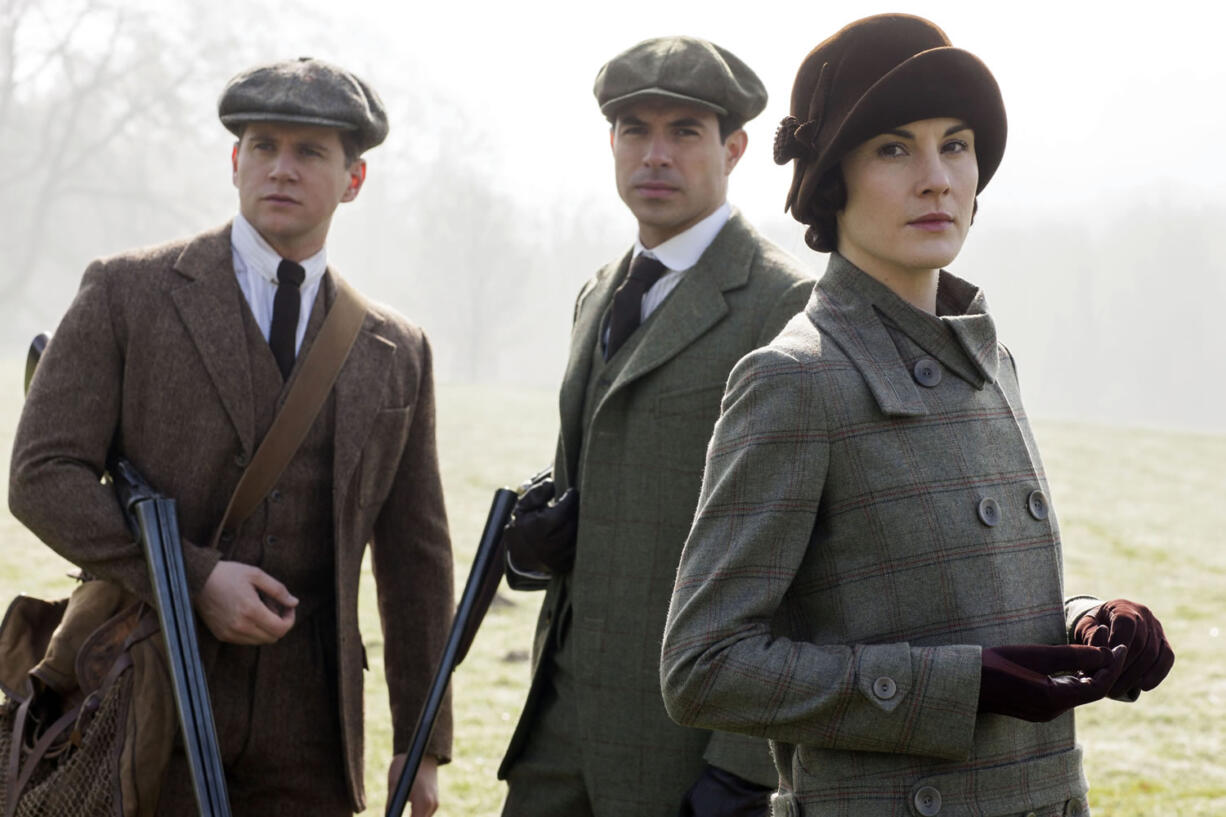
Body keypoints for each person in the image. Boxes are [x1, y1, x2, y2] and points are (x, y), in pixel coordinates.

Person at [660, 15, 1175, 817]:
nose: (937, 178)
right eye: (895, 148)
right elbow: (704, 666)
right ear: (834, 182)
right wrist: (959, 686)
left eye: (956, 144)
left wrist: (1087, 622)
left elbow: (964, 595)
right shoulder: (795, 380)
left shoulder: (988, 359)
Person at [9, 57, 453, 817]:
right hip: (142, 695)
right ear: (234, 161)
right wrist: (191, 577)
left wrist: (422, 741)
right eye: (263, 146)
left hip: (312, 736)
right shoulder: (126, 292)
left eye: (310, 151)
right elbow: (41, 474)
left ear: (353, 179)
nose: (281, 168)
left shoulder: (396, 347)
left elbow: (416, 558)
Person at [497, 36, 813, 817]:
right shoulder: (598, 293)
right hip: (557, 728)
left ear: (734, 148)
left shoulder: (787, 305)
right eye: (635, 129)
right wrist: (533, 549)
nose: (656, 154)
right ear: (611, 144)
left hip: (685, 741)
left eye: (685, 132)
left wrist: (745, 767)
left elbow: (808, 550)